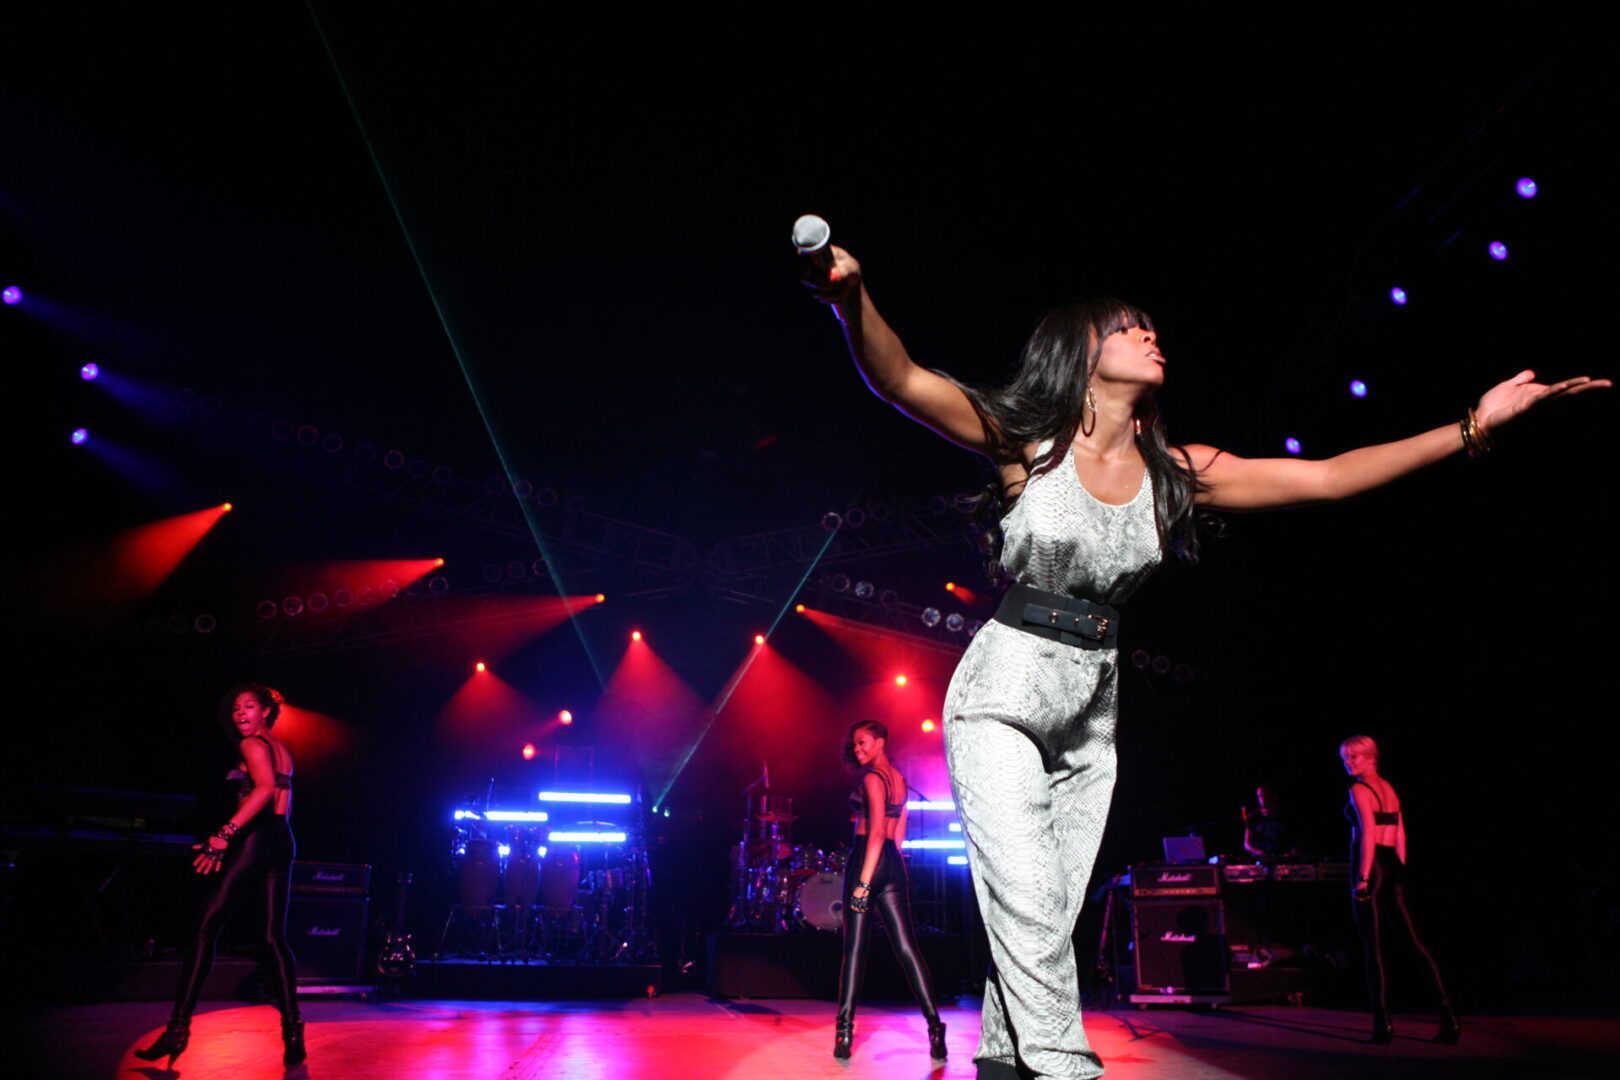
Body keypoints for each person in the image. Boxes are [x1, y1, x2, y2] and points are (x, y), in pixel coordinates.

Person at [804, 246, 1605, 1079]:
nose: (1151, 334)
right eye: (1127, 328)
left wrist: (1474, 425)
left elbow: (1328, 479)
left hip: (1092, 705)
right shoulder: (1028, 445)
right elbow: (902, 378)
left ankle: (1007, 1062)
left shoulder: (1179, 473)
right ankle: (1065, 1066)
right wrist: (851, 299)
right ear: (1084, 356)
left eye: (1150, 326)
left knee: (1051, 909)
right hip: (1004, 685)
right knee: (1030, 900)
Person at [136, 683, 305, 1067]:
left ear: (266, 711)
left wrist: (223, 837)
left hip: (257, 837)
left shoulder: (252, 746)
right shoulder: (283, 750)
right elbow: (280, 800)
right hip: (282, 839)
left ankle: (177, 1029)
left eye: (249, 706)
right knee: (272, 938)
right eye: (234, 708)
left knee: (204, 928)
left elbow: (262, 790)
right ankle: (293, 1031)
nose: (240, 713)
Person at [834, 720, 947, 1060]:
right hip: (893, 863)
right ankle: (935, 1027)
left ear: (880, 742)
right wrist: (893, 870)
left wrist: (865, 883)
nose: (857, 749)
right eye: (854, 744)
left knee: (854, 949)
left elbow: (876, 833)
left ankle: (844, 1031)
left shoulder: (871, 779)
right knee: (907, 948)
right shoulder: (898, 779)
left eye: (863, 742)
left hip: (867, 860)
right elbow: (899, 829)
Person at [1340, 734, 1457, 1044]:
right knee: (1415, 942)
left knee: (1373, 946)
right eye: (1345, 758)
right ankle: (1447, 1016)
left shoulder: (1359, 790)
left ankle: (1382, 1022)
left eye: (1354, 757)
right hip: (1392, 865)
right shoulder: (1389, 788)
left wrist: (1363, 878)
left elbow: (1367, 834)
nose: (1348, 763)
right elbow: (1400, 833)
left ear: (1371, 757)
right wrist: (1399, 871)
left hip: (1371, 865)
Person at [1242, 783, 1298, 861]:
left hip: (1282, 859)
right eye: (1260, 796)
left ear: (1274, 796)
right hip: (1261, 859)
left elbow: (1295, 842)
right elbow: (1247, 844)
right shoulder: (1254, 816)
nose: (1263, 800)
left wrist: (1290, 854)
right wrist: (1259, 853)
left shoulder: (1285, 816)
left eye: (1266, 796)